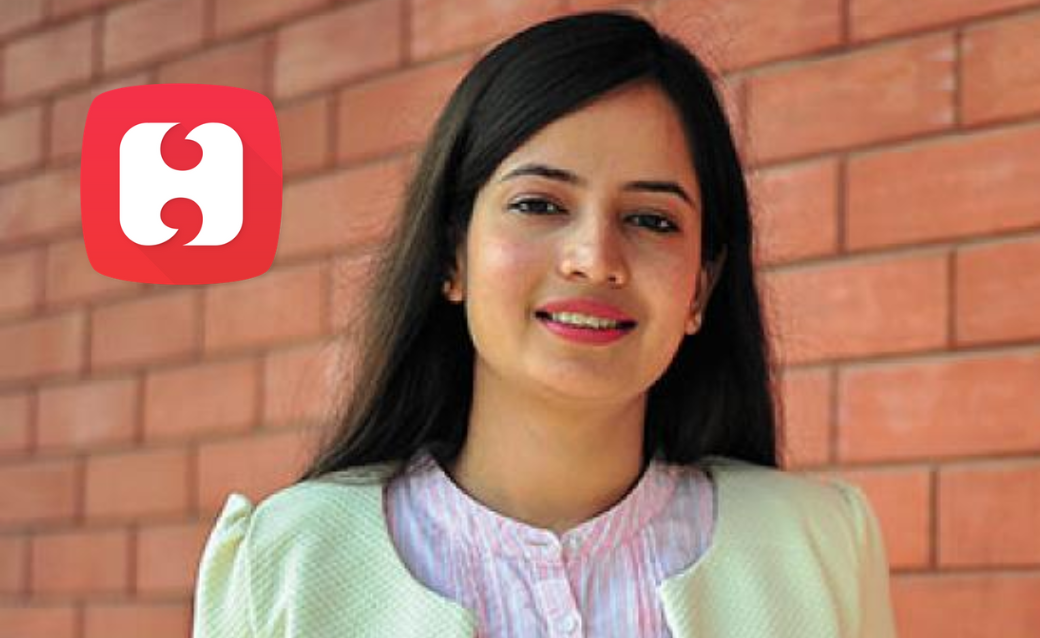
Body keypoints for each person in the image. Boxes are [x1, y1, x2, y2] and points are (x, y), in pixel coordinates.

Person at [192, 10, 897, 638]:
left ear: (699, 289)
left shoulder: (819, 550)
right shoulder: (288, 561)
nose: (595, 259)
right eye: (539, 205)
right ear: (452, 255)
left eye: (652, 220)